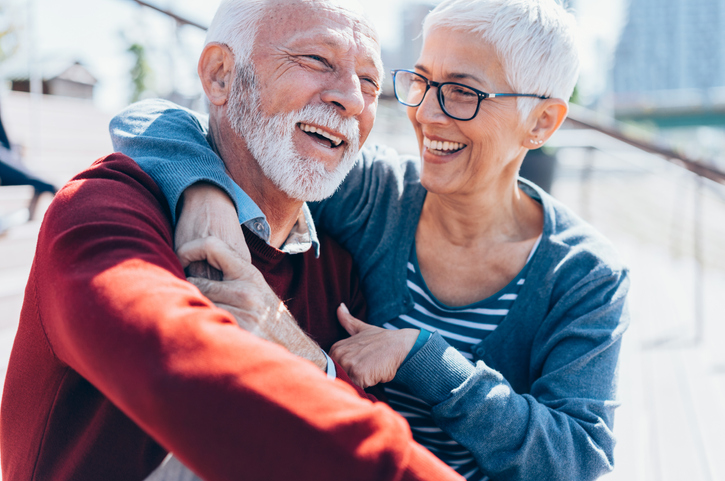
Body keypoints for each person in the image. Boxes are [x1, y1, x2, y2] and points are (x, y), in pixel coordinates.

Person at [110, 1, 630, 481]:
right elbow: (153, 122)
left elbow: (578, 460)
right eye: (421, 82)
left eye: (463, 93)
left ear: (541, 122)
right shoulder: (375, 193)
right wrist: (207, 191)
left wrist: (425, 359)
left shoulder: (586, 277)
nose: (427, 114)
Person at [0, 1, 466, 480]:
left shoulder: (339, 271)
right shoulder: (104, 211)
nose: (352, 97)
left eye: (370, 82)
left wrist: (303, 352)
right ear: (220, 75)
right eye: (317, 60)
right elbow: (186, 372)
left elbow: (343, 417)